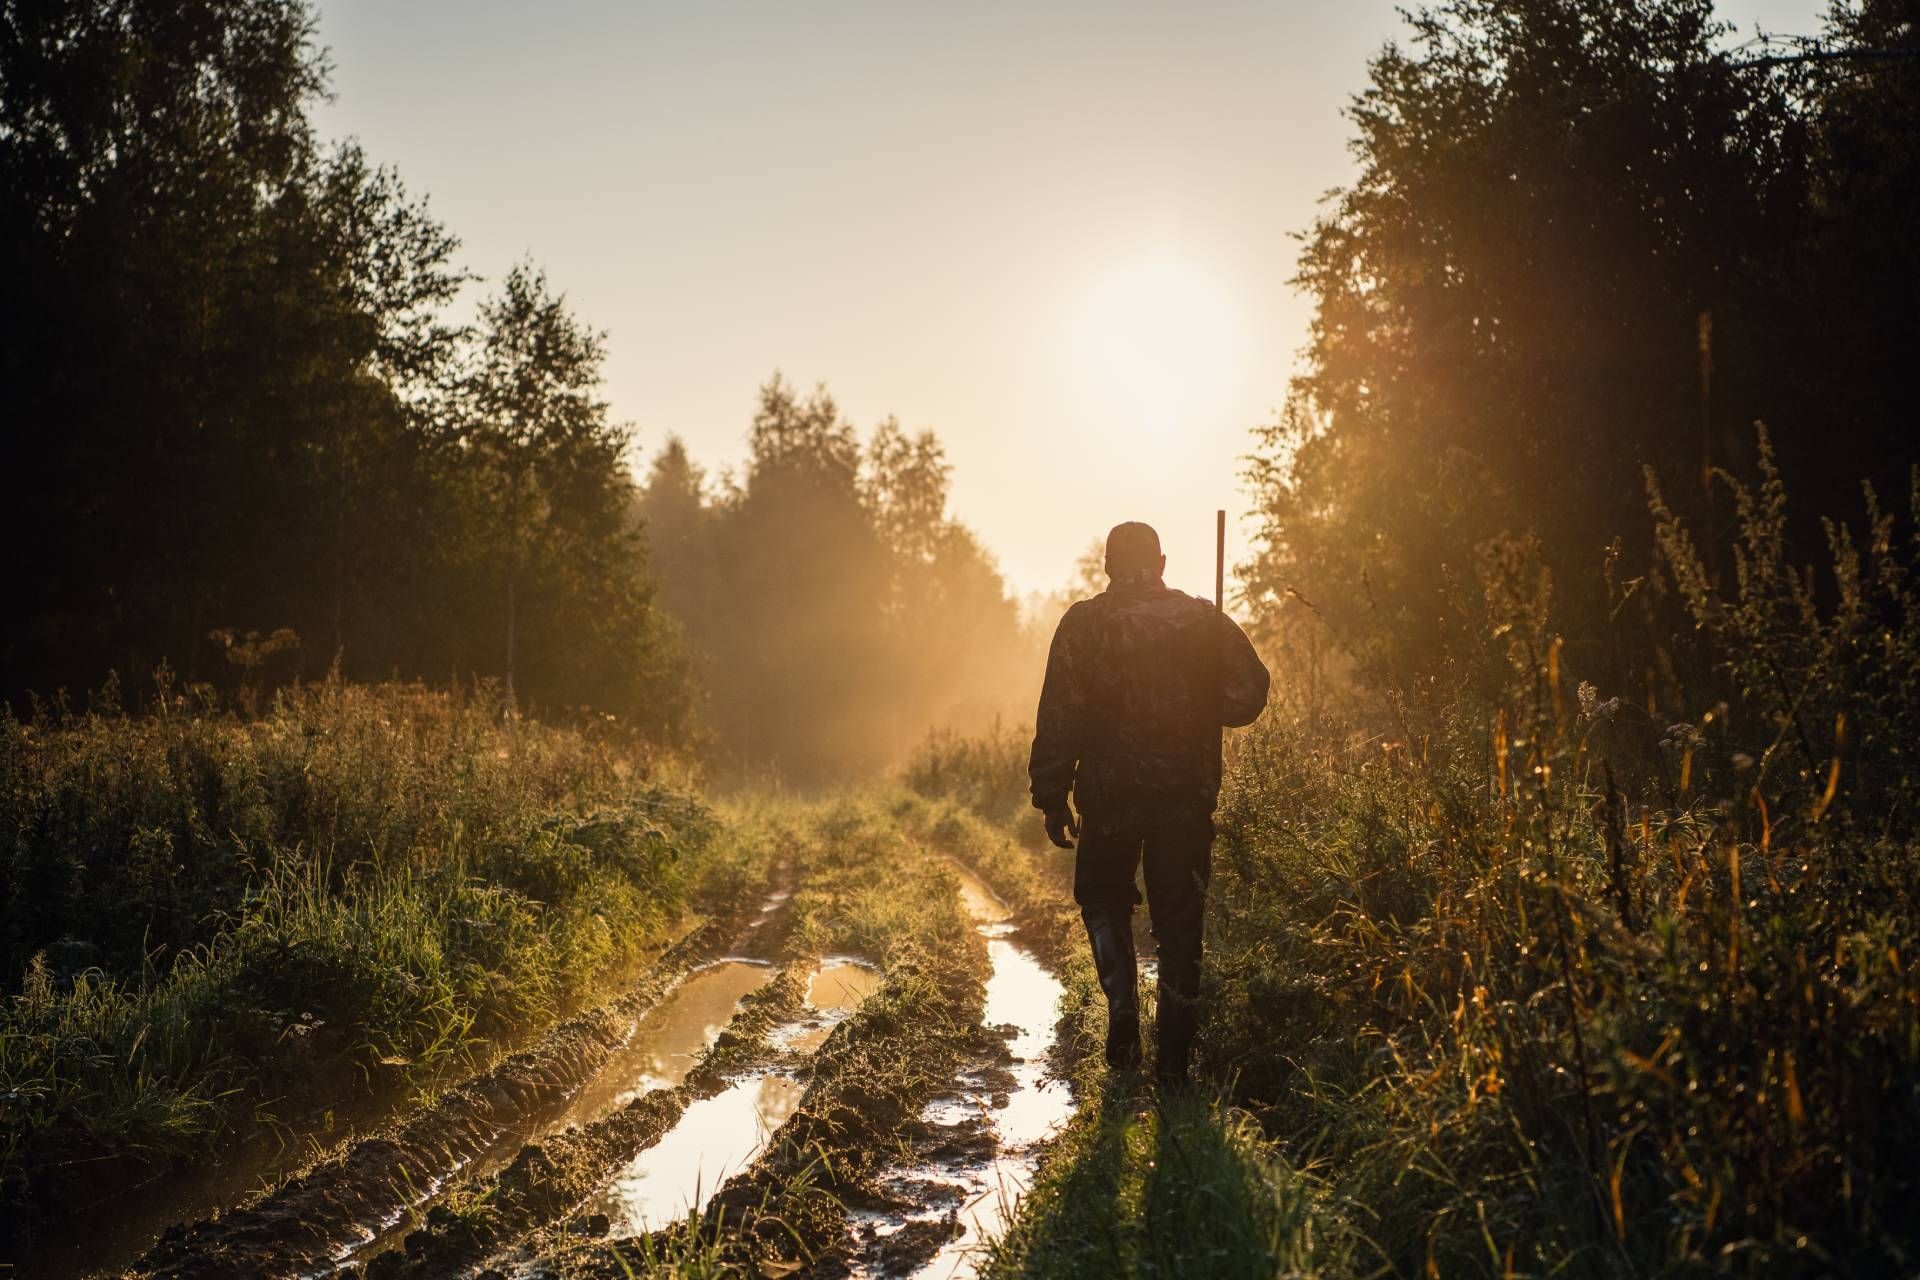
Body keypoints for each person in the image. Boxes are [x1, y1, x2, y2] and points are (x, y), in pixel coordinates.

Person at [1028, 520, 1270, 1089]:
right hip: (1184, 795)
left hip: (1109, 794)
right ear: (1161, 561)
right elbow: (1248, 696)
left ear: (1108, 565)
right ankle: (1173, 1065)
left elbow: (1060, 711)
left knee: (1103, 900)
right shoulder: (1203, 619)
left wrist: (1051, 793)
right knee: (1181, 923)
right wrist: (1202, 694)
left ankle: (1123, 1012)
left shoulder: (1085, 624)